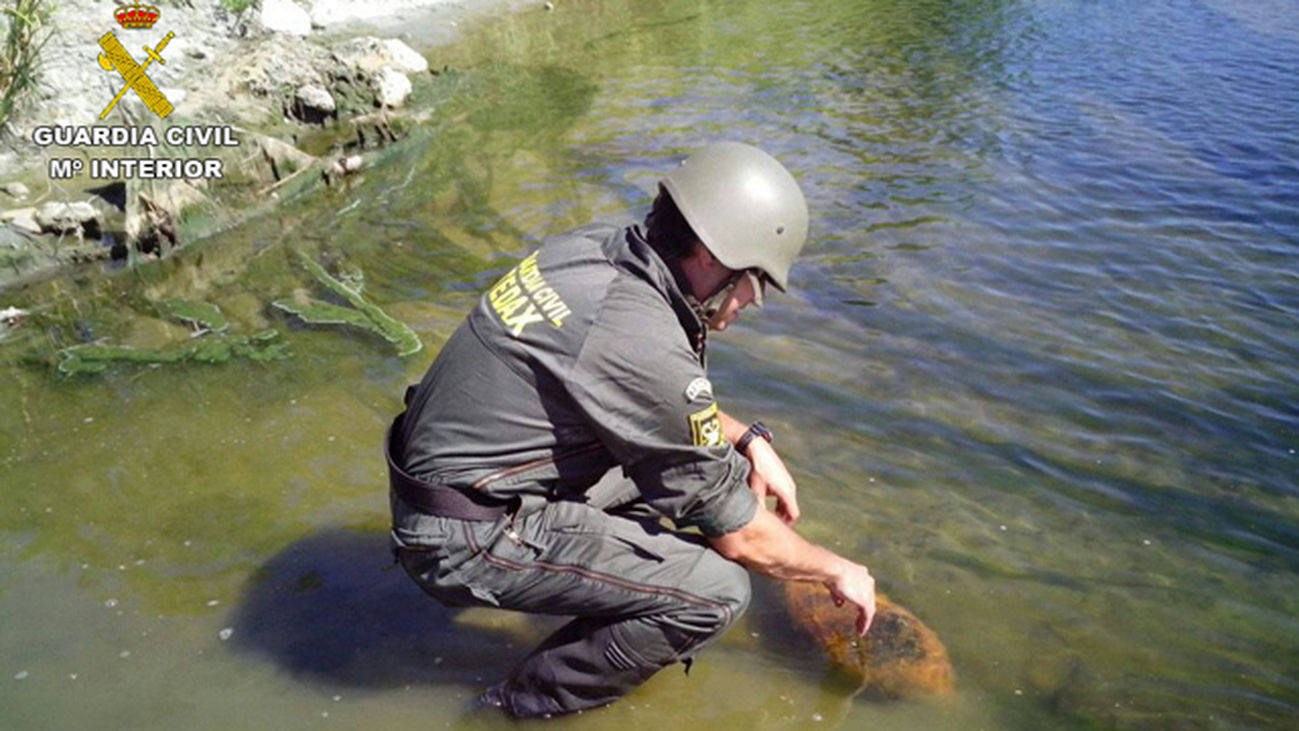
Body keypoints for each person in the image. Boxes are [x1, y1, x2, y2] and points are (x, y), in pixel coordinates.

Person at [385, 141, 877, 718]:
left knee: (722, 475)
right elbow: (739, 535)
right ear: (713, 258)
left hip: (447, 485)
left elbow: (625, 388)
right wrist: (835, 569)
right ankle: (511, 710)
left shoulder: (595, 250)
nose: (753, 301)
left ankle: (607, 577)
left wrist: (746, 439)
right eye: (756, 281)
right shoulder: (638, 335)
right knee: (716, 590)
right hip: (460, 537)